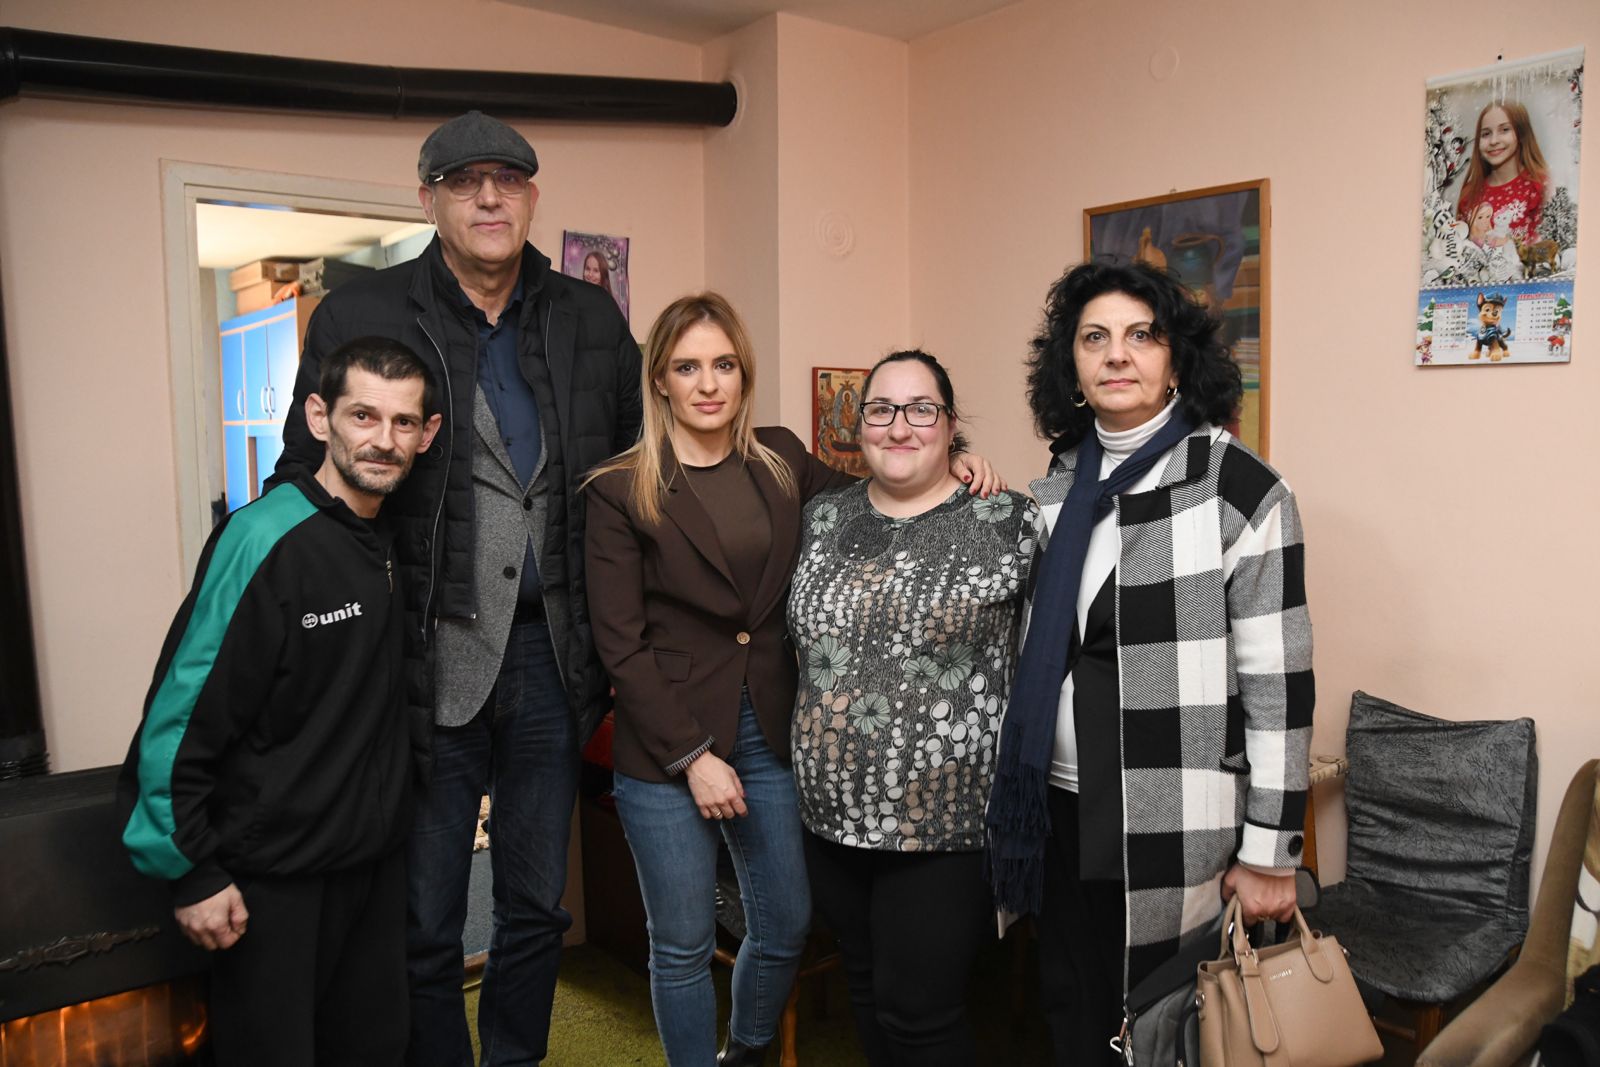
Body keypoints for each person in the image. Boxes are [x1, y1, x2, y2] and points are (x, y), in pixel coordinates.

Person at [272, 111, 643, 1066]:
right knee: (427, 913)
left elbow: (637, 478)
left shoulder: (592, 319)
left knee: (536, 904)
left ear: (532, 197)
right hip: (426, 657)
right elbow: (305, 481)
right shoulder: (362, 313)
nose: (489, 197)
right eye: (464, 181)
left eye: (509, 180)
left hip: (555, 662)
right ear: (427, 198)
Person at [583, 294, 1001, 1067]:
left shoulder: (780, 457)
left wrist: (955, 463)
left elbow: (882, 492)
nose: (708, 383)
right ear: (660, 379)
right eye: (687, 367)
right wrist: (692, 757)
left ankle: (745, 1051)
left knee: (784, 924)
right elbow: (621, 645)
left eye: (724, 364)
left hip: (772, 729)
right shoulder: (619, 487)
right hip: (666, 741)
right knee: (680, 943)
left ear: (743, 373)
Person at [986, 261, 1313, 1065]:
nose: (1116, 354)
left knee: (1166, 1028)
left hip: (1170, 819)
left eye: (1142, 335)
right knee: (1072, 1004)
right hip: (1057, 808)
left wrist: (1271, 854)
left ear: (1176, 360)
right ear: (1071, 365)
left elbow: (1280, 687)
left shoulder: (1237, 487)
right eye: (1094, 338)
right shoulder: (1061, 482)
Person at [119, 337, 442, 1065]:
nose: (383, 441)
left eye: (402, 422)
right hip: (270, 883)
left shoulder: (388, 539)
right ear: (320, 416)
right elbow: (176, 724)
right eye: (363, 416)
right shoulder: (263, 538)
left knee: (376, 1049)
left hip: (370, 868)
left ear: (426, 435)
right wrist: (193, 871)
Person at [788, 351, 1037, 1066]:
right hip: (828, 815)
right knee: (867, 990)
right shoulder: (822, 517)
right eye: (881, 409)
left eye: (921, 409)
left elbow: (1051, 656)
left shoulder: (1009, 520)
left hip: (943, 823)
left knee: (919, 1013)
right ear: (859, 424)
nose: (900, 427)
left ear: (951, 425)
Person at [1456, 100, 1549, 246]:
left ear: (1521, 134)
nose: (1493, 141)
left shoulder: (1539, 186)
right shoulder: (1469, 194)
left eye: (1504, 130)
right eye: (1486, 134)